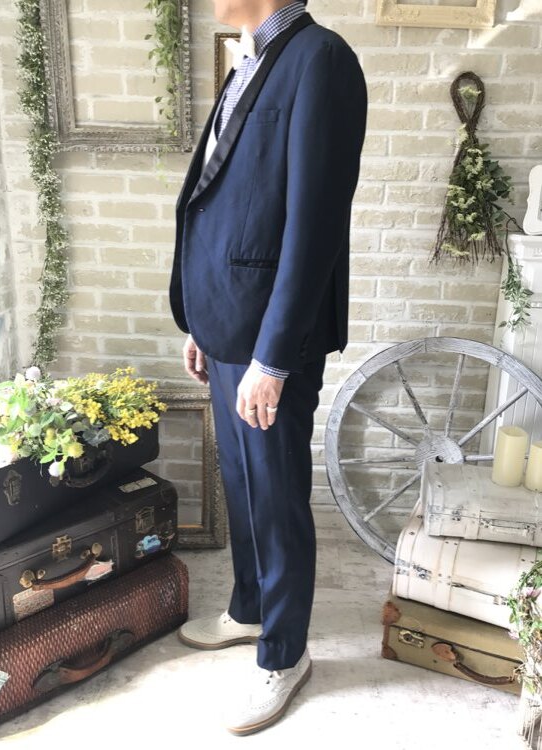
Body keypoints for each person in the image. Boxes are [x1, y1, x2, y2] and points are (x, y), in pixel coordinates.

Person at [169, 0, 367, 735]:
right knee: (242, 483)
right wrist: (203, 321)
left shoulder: (323, 61)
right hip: (229, 325)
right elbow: (222, 201)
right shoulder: (249, 58)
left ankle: (285, 653)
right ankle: (250, 608)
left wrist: (273, 356)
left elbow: (315, 223)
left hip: (271, 341)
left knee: (276, 496)